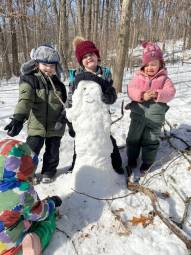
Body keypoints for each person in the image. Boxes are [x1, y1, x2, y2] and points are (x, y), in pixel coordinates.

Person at [4, 45, 67, 183]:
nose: (49, 68)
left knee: (53, 151)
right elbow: (25, 100)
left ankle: (49, 172)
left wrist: (66, 121)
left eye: (52, 65)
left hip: (55, 126)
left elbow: (65, 106)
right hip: (36, 125)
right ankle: (28, 173)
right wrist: (19, 117)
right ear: (36, 63)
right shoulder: (31, 80)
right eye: (45, 64)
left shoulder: (59, 85)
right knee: (31, 151)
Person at [66, 36, 124, 175]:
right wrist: (71, 121)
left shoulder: (105, 74)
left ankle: (116, 164)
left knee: (108, 140)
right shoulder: (76, 77)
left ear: (97, 55)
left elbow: (111, 93)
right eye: (84, 57)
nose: (88, 58)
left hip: (99, 118)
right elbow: (71, 98)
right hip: (83, 119)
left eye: (91, 54)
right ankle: (75, 167)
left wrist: (108, 97)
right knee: (80, 144)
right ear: (81, 61)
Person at [0, 138, 62, 255]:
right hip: (6, 241)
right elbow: (38, 213)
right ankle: (30, 245)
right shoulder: (22, 191)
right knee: (45, 223)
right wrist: (51, 203)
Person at [126, 41, 176, 177]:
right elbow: (130, 90)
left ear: (161, 64)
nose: (149, 68)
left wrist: (159, 94)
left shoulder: (165, 79)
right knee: (133, 138)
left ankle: (147, 162)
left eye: (153, 64)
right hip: (138, 115)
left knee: (151, 140)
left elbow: (171, 92)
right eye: (146, 65)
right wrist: (142, 95)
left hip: (155, 118)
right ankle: (131, 158)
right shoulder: (138, 77)